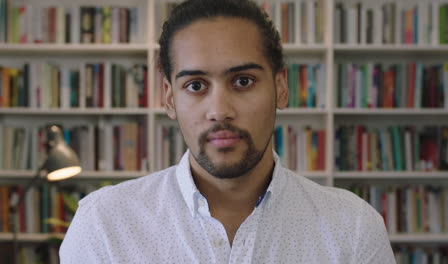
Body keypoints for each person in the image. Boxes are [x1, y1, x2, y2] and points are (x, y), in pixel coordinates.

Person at [59, 0, 395, 263]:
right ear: (169, 98)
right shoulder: (104, 223)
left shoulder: (352, 228)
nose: (220, 110)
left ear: (280, 87)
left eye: (243, 81)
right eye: (195, 85)